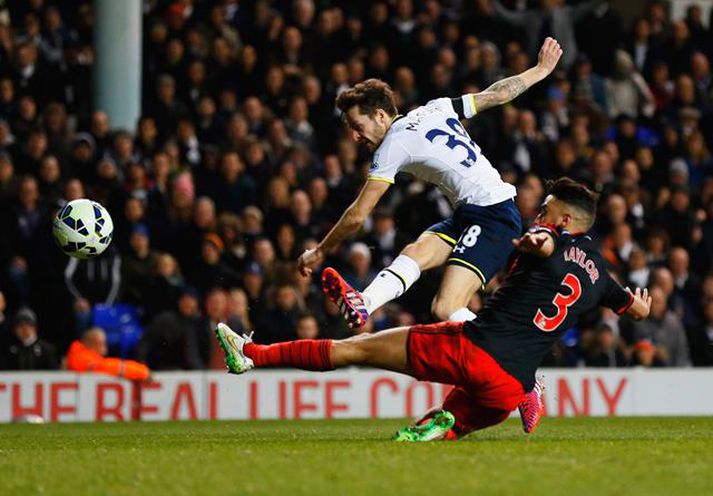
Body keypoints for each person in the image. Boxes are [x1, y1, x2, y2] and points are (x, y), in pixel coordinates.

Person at [216, 178, 651, 441]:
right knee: (453, 418)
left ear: (564, 221)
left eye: (546, 211)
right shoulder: (601, 277)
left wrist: (537, 241)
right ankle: (448, 425)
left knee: (358, 349)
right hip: (504, 393)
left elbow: (547, 242)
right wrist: (641, 305)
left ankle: (251, 355)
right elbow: (633, 310)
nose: (538, 215)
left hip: (475, 351)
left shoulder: (549, 238)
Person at [298, 37, 563, 332]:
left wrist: (320, 251)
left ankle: (512, 361)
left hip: (493, 217)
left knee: (445, 307)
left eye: (358, 127)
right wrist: (539, 70)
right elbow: (495, 94)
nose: (356, 138)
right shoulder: (435, 108)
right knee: (414, 253)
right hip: (470, 214)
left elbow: (359, 214)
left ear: (381, 115)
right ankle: (365, 302)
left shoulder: (392, 144)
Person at [65, 327, 151, 381]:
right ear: (88, 343)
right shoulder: (80, 357)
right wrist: (141, 371)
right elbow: (106, 367)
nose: (105, 346)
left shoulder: (84, 355)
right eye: (101, 343)